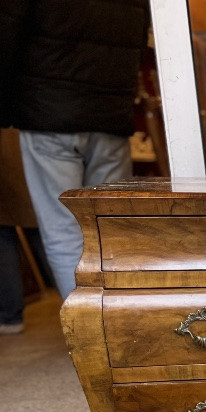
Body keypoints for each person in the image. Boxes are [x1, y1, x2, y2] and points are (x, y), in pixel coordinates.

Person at [0, 0, 150, 298]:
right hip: (110, 118)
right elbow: (139, 41)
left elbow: (6, 39)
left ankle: (86, 336)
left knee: (64, 231)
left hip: (49, 116)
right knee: (110, 232)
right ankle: (117, 328)